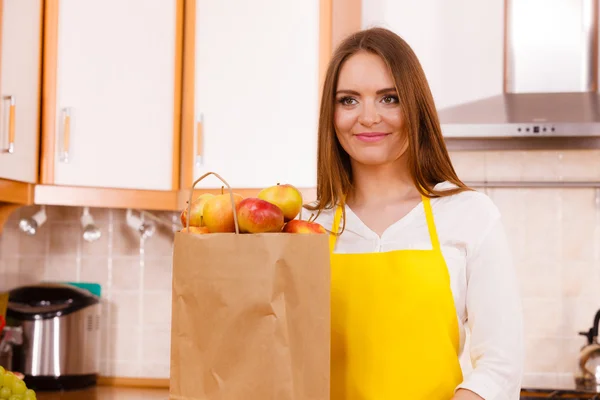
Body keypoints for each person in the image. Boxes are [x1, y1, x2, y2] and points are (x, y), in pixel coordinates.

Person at [302, 27, 524, 399]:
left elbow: (500, 365)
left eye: (389, 98)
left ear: (414, 106)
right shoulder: (309, 227)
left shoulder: (469, 215)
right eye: (348, 100)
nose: (368, 117)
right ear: (332, 112)